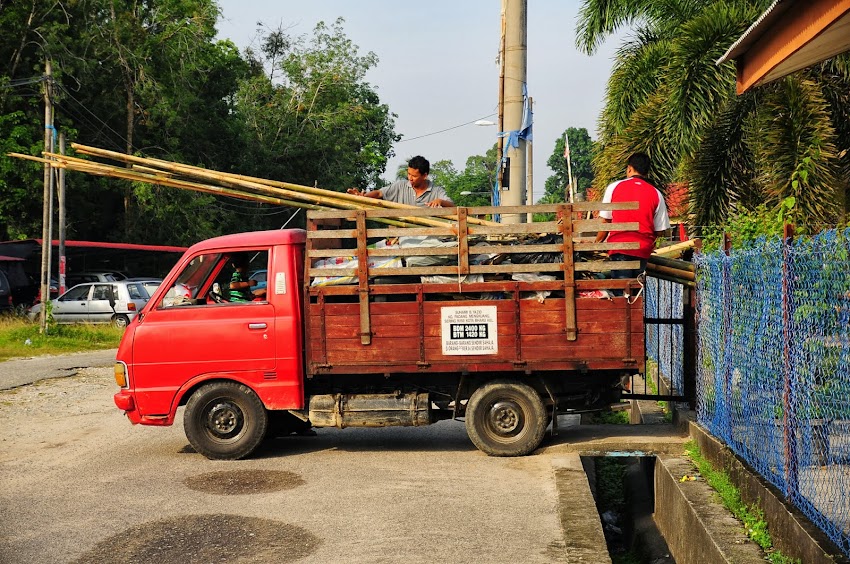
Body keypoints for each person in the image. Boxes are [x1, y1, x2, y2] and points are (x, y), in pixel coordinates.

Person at [595, 152, 670, 279]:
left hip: (619, 248)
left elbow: (606, 223)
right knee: (639, 291)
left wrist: (596, 244)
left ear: (629, 169)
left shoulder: (614, 187)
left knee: (622, 292)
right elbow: (660, 231)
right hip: (643, 250)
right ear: (647, 172)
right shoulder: (656, 194)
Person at [347, 155, 455, 208]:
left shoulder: (437, 191)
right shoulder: (400, 186)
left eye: (414, 176)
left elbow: (452, 206)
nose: (410, 178)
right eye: (409, 174)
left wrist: (440, 202)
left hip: (429, 236)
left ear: (425, 175)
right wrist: (363, 197)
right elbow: (379, 193)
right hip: (404, 237)